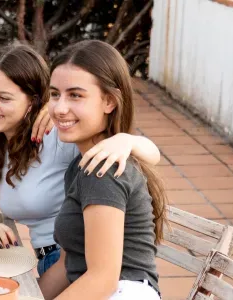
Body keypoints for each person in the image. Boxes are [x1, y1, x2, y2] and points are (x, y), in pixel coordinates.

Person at [0, 43, 161, 285]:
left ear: (32, 102)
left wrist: (126, 140)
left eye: (4, 98)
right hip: (52, 263)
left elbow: (148, 156)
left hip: (77, 264)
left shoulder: (57, 136)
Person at [40, 40, 166, 300]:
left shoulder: (103, 171)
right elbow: (67, 263)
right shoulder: (81, 165)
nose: (60, 108)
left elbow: (102, 280)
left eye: (75, 95)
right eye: (55, 94)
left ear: (109, 101)